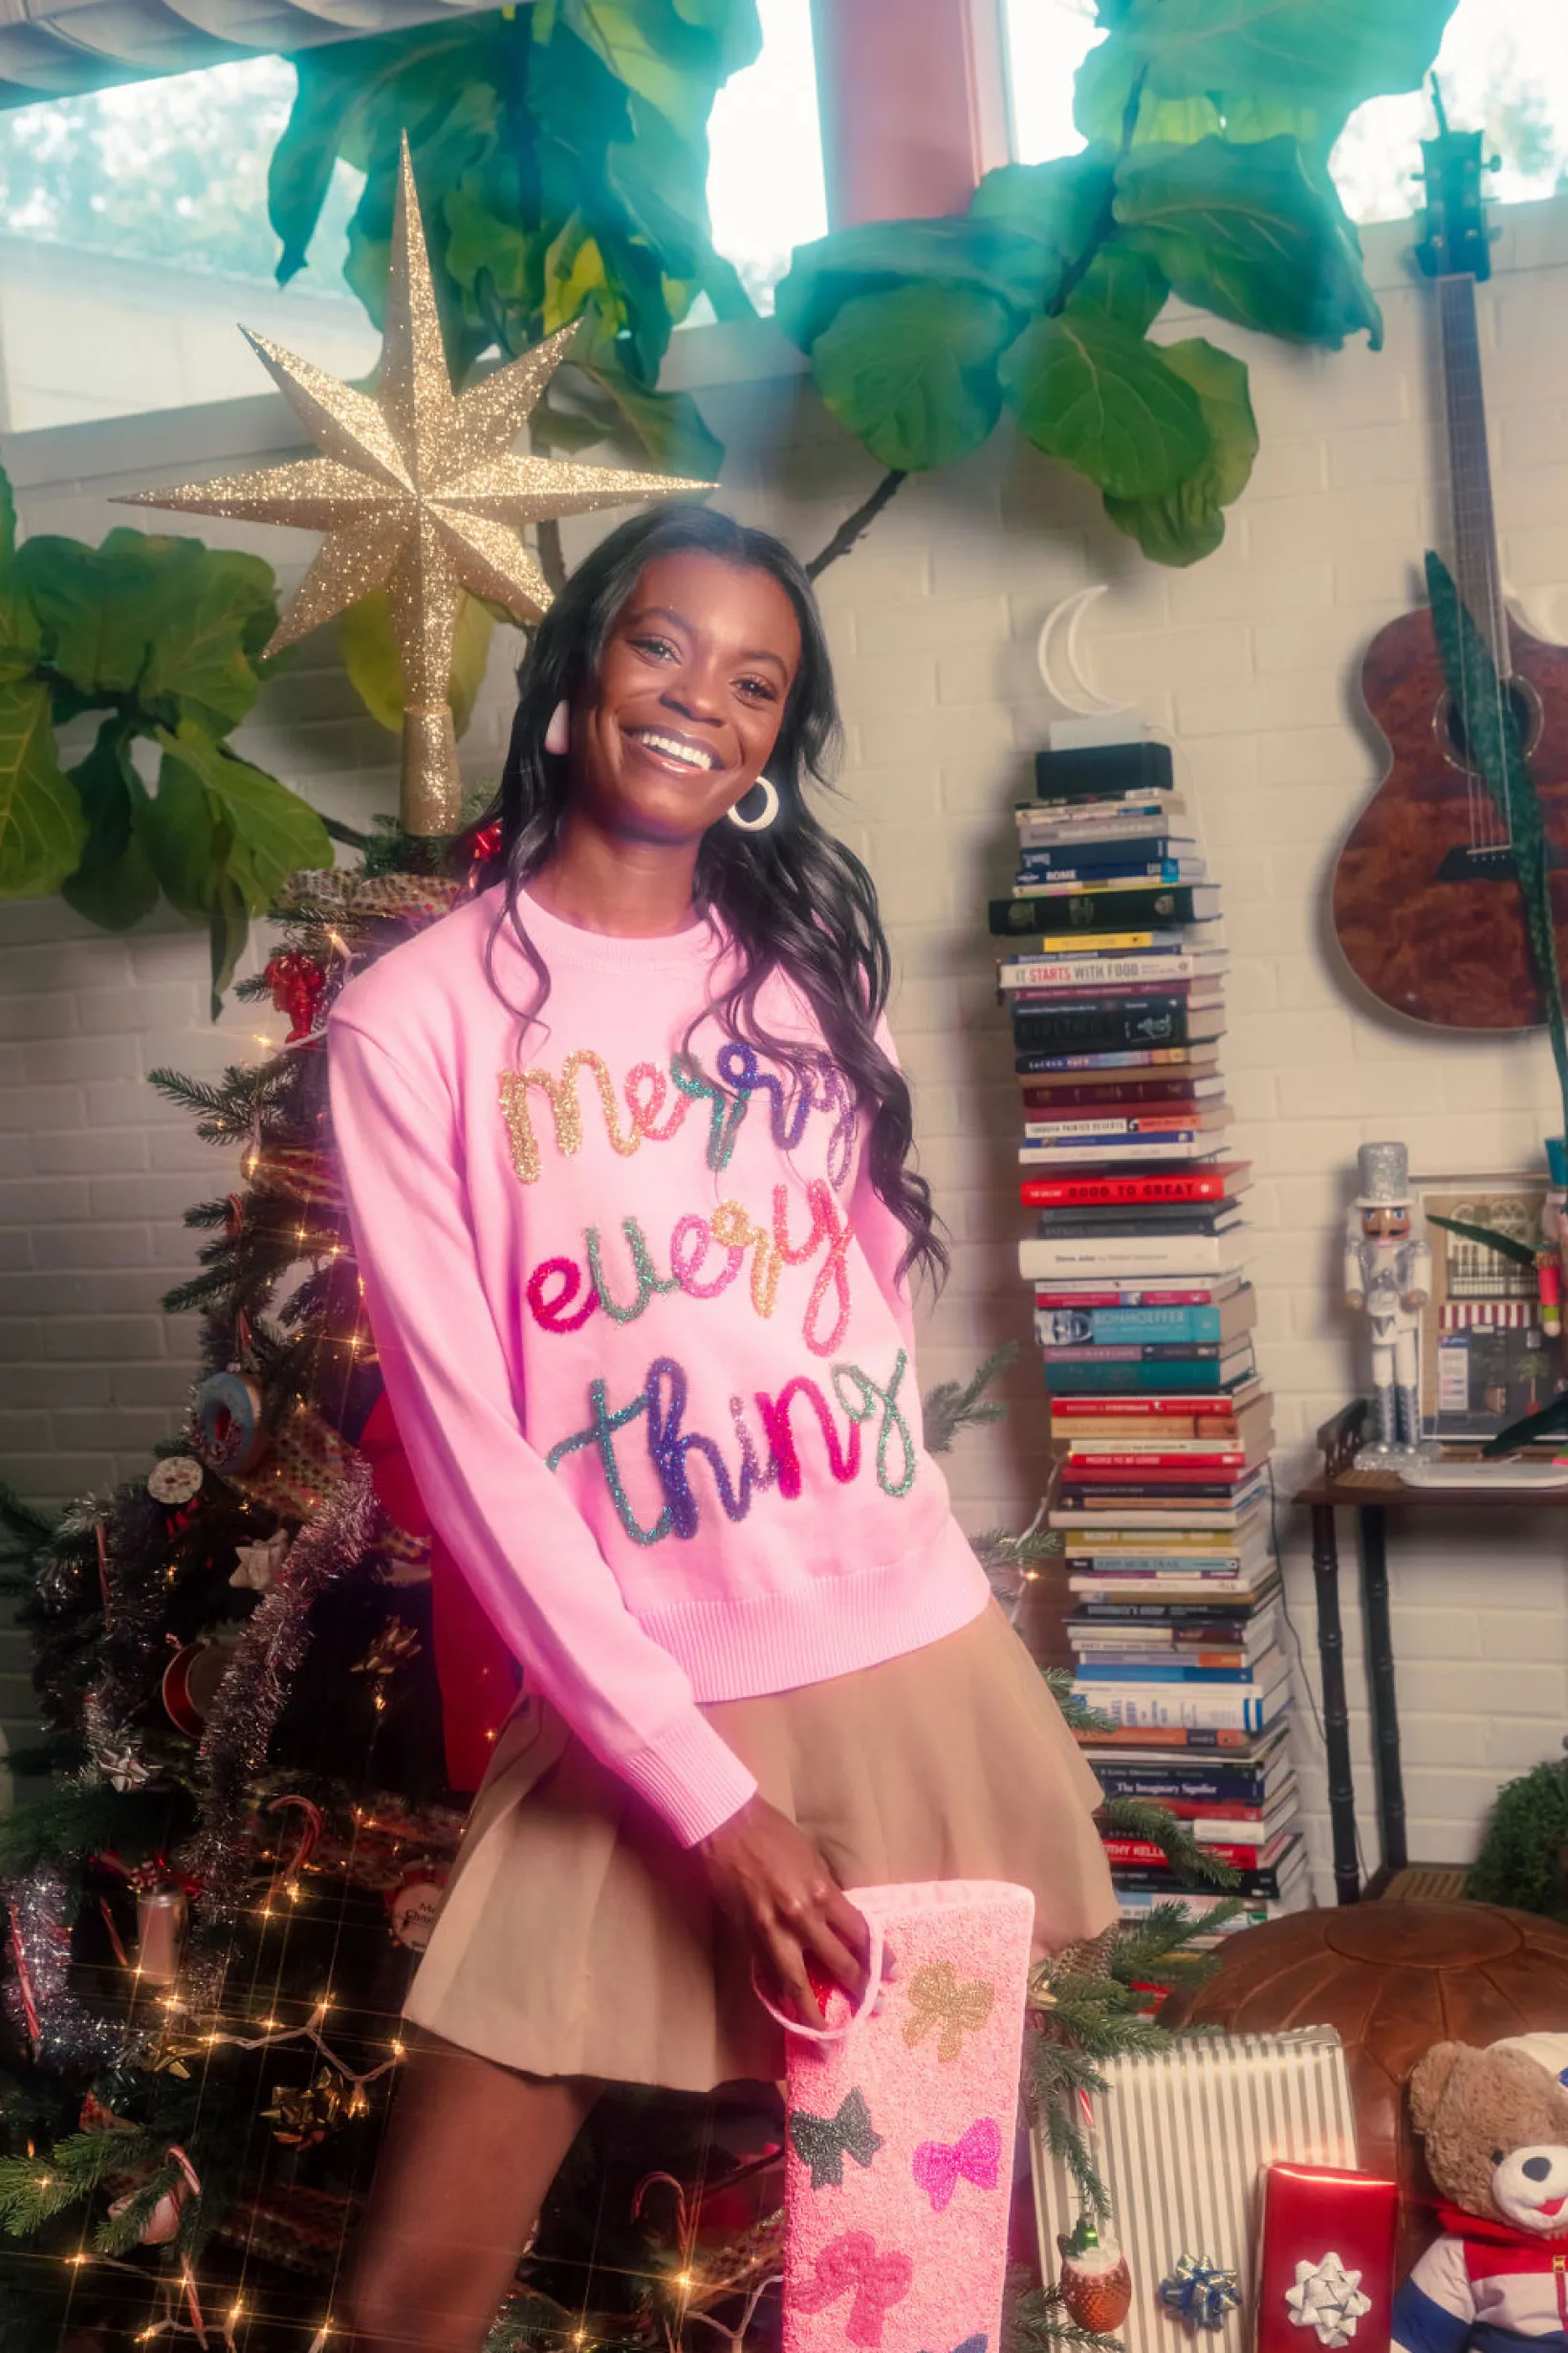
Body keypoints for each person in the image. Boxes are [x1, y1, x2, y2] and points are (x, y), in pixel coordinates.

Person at [326, 504, 1116, 2353]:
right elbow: (472, 1455)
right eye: (663, 647)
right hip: (645, 1704)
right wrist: (704, 1796)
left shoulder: (812, 972)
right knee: (413, 2292)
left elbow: (865, 1297)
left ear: (774, 742)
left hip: (907, 1660)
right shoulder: (412, 1021)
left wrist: (880, 1525)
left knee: (899, 2284)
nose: (703, 701)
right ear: (579, 673)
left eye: (757, 683)